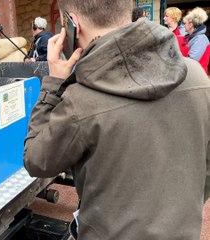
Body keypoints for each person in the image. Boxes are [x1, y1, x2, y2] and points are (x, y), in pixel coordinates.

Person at [24, 0, 210, 239]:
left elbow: (36, 160)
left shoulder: (80, 100)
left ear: (73, 23)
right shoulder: (198, 78)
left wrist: (53, 84)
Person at [183, 7, 210, 73]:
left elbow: (191, 61)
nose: (183, 25)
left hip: (198, 76)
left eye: (185, 23)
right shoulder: (192, 37)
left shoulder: (200, 39)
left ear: (190, 25)